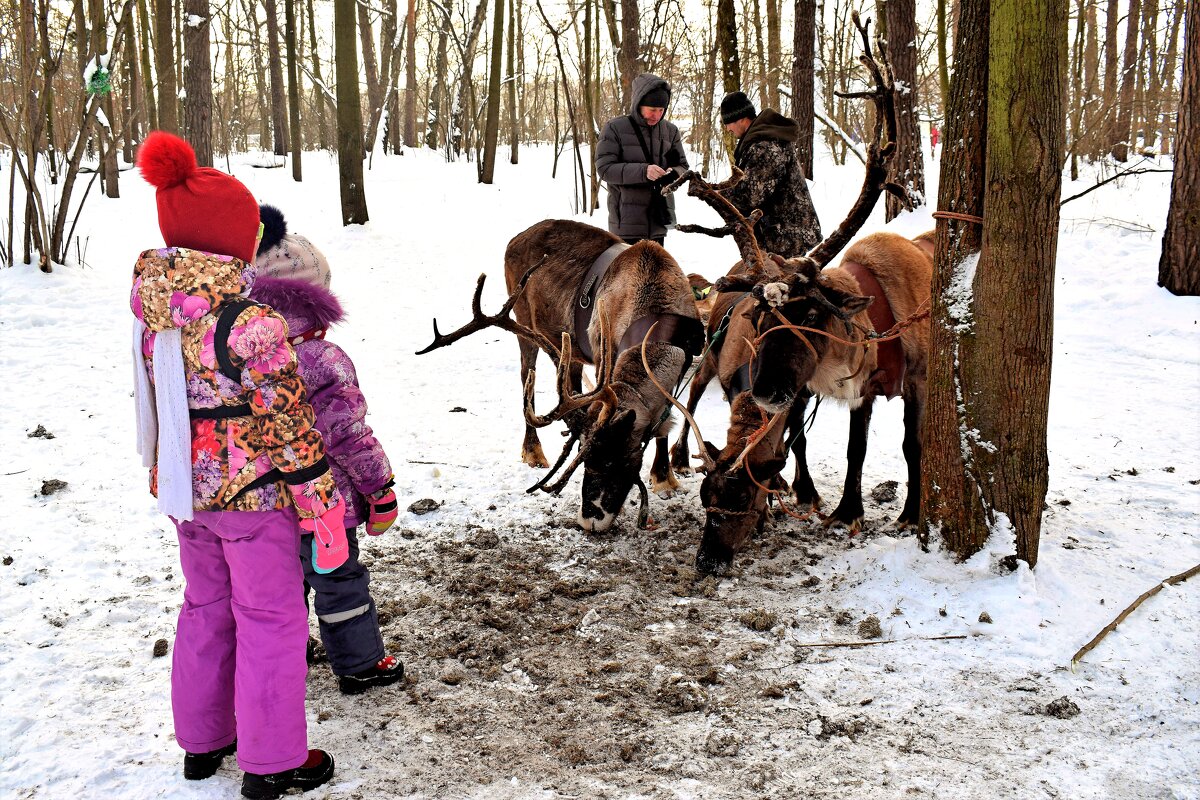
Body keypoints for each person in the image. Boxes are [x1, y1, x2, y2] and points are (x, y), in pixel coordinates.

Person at [132, 131, 344, 799]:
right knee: (270, 618)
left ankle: (203, 742)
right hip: (254, 500)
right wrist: (320, 501)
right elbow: (286, 422)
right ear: (230, 238)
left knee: (204, 609)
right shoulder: (250, 322)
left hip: (185, 496)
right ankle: (273, 759)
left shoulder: (153, 316)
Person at [250, 204, 404, 696]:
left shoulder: (238, 351)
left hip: (262, 500)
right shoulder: (320, 357)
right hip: (323, 502)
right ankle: (360, 663)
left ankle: (289, 652)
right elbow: (349, 435)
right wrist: (380, 488)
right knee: (338, 580)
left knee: (280, 583)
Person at [718, 91, 823, 258]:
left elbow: (753, 195)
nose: (727, 128)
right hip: (780, 234)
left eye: (728, 123)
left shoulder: (765, 147)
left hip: (785, 236)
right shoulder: (759, 142)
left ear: (741, 119)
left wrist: (720, 193)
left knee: (781, 282)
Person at [596, 74, 690, 245]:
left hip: (658, 221)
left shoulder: (671, 131)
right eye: (652, 110)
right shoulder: (615, 128)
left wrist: (673, 174)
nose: (656, 116)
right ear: (638, 104)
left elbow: (682, 166)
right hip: (625, 224)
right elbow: (605, 168)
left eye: (661, 110)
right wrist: (643, 171)